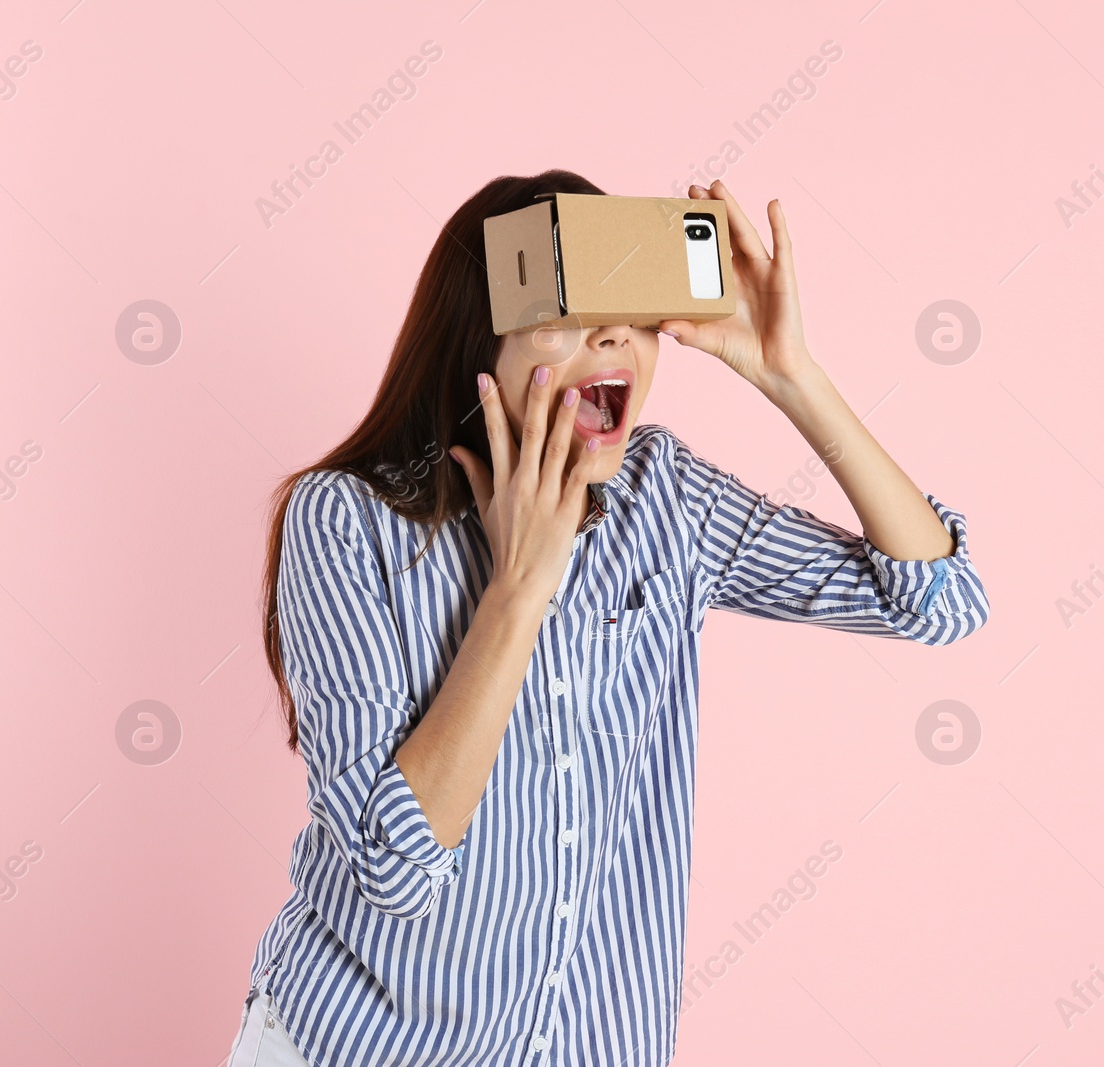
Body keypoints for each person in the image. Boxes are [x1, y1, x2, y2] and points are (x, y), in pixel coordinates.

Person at [227, 169, 991, 1067]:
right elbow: (390, 867)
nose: (610, 333)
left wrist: (789, 374)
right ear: (481, 348)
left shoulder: (658, 500)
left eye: (627, 305)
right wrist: (517, 591)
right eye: (564, 310)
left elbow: (938, 600)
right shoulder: (348, 521)